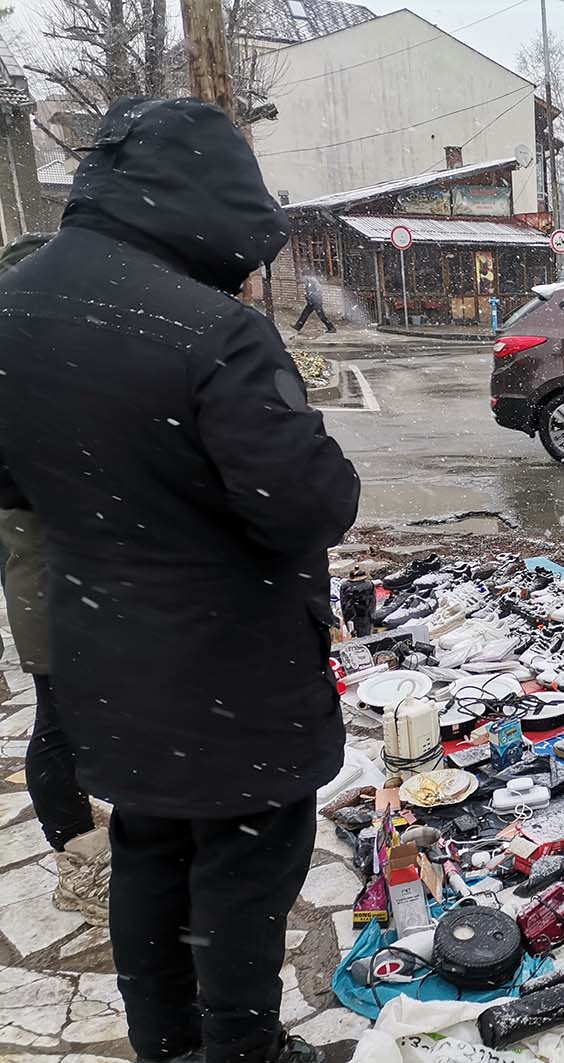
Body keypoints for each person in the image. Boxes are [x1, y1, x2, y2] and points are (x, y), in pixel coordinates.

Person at [0, 98, 360, 1063]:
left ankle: (164, 1042)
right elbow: (307, 506)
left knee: (150, 847)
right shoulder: (212, 331)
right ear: (206, 199)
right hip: (230, 669)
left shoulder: (14, 306)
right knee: (245, 871)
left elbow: (12, 482)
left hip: (101, 652)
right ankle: (242, 1049)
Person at [0, 232, 110, 926]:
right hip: (47, 569)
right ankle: (77, 858)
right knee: (60, 719)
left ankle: (86, 826)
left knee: (77, 714)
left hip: (63, 566)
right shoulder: (21, 377)